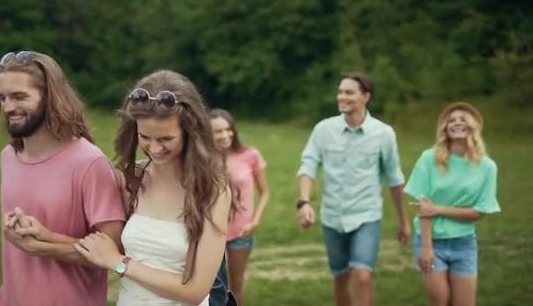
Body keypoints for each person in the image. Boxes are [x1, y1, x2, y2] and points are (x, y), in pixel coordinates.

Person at [74, 70, 232, 305]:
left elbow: (196, 290)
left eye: (166, 139)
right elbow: (106, 247)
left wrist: (119, 263)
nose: (155, 149)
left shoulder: (212, 190)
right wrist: (42, 235)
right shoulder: (131, 180)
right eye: (145, 137)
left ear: (190, 132)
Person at [0, 50, 126, 305]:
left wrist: (44, 246)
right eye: (2, 98)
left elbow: (112, 249)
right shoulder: (8, 157)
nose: (8, 107)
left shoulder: (89, 162)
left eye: (20, 97)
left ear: (50, 97)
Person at [296, 73, 411, 306]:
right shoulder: (323, 129)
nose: (342, 97)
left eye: (349, 92)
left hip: (366, 216)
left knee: (362, 275)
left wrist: (403, 220)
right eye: (340, 92)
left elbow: (394, 178)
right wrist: (305, 202)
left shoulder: (383, 134)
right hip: (332, 217)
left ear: (365, 97)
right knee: (341, 276)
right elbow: (308, 165)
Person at [406, 102, 500, 306]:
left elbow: (479, 212)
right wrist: (427, 247)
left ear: (473, 127)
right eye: (451, 120)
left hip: (464, 244)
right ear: (444, 128)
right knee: (440, 301)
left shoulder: (487, 167)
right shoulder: (428, 159)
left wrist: (438, 209)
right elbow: (423, 209)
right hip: (431, 241)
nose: (456, 123)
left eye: (462, 119)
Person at [209, 109, 271, 306]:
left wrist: (255, 221)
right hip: (212, 232)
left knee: (235, 285)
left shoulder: (250, 155)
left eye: (228, 129)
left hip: (242, 231)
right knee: (212, 285)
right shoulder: (203, 160)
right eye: (218, 131)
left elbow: (265, 192)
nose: (225, 135)